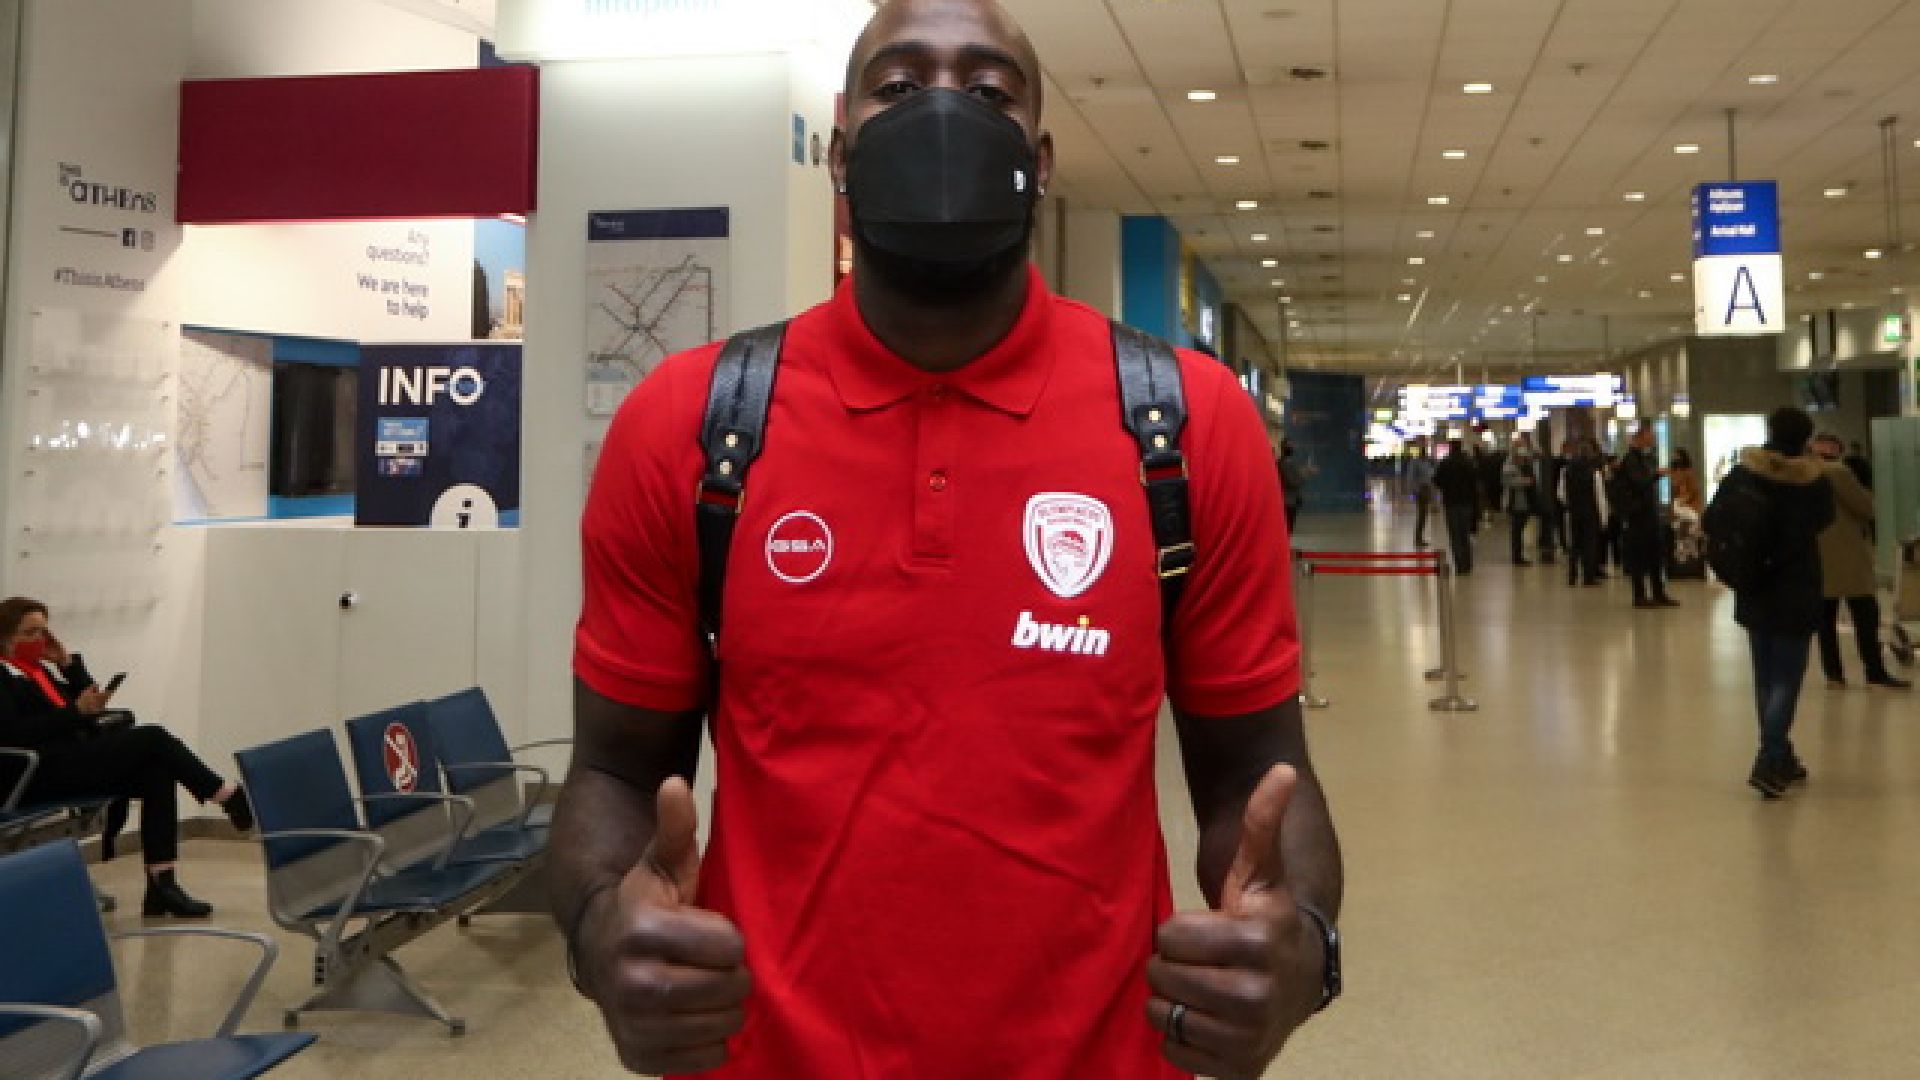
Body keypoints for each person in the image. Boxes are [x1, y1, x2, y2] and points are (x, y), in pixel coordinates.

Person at [554, 4, 1344, 1077]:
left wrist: (1304, 947)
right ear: (840, 155)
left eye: (987, 91)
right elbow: (611, 767)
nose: (940, 112)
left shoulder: (1186, 425)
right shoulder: (691, 426)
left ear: (1040, 162)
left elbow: (1258, 771)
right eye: (896, 86)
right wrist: (599, 933)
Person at [0, 597, 253, 917]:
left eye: (43, 632)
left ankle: (162, 885)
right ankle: (226, 795)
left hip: (65, 761)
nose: (39, 640)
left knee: (156, 771)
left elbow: (87, 702)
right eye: (30, 633)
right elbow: (13, 734)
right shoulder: (5, 676)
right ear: (5, 636)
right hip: (33, 773)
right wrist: (75, 712)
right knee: (153, 737)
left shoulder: (38, 672)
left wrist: (67, 664)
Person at [1715, 408, 1834, 798]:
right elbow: (1825, 520)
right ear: (1806, 438)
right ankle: (1769, 758)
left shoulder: (1745, 472)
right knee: (1786, 679)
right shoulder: (1812, 481)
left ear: (1769, 430)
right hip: (1796, 587)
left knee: (1766, 677)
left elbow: (1715, 516)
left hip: (1755, 584)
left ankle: (1781, 754)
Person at [1811, 434, 1909, 689]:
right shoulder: (1839, 473)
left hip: (1817, 555)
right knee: (1866, 613)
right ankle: (1874, 673)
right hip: (1848, 554)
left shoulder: (1802, 473)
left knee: (1825, 619)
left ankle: (1833, 675)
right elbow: (1865, 506)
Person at [1615, 426, 1676, 608]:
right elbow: (1639, 482)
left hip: (1649, 513)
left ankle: (1658, 592)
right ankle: (1639, 595)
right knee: (1639, 555)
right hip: (1637, 515)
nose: (1652, 440)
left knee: (1655, 554)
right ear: (1640, 438)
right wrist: (1656, 475)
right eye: (1650, 437)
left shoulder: (1646, 458)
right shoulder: (1631, 460)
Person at [1558, 439, 1609, 588]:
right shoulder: (1594, 473)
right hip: (1590, 513)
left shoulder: (1566, 471)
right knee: (1589, 545)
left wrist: (1570, 504)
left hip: (1573, 512)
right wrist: (1603, 517)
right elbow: (1600, 497)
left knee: (1574, 544)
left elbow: (1561, 493)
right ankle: (1588, 577)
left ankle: (1572, 576)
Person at [1433, 438, 1481, 575]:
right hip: (1466, 502)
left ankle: (1460, 565)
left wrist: (1447, 487)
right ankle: (1467, 564)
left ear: (1450, 448)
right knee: (1465, 534)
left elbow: (1437, 481)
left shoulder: (1445, 463)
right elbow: (1475, 482)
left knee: (1455, 535)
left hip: (1451, 503)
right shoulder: (1468, 462)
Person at [1501, 434, 1541, 566]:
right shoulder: (1509, 464)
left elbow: (1538, 454)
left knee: (1519, 528)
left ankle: (1518, 554)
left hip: (1526, 500)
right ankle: (1516, 556)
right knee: (1516, 529)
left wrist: (1531, 444)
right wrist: (1525, 481)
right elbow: (1507, 481)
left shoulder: (1525, 460)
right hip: (1516, 502)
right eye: (1520, 446)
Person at [1407, 440, 1436, 548]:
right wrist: (1414, 490)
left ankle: (1420, 537)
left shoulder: (1428, 462)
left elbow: (1431, 475)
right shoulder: (1415, 462)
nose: (1424, 451)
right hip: (1420, 490)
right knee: (1422, 514)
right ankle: (1418, 538)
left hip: (1427, 489)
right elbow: (1411, 477)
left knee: (1424, 515)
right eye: (1423, 449)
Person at [1279, 438, 1307, 535]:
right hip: (1288, 500)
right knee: (1287, 526)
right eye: (1290, 445)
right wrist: (1303, 476)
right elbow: (1293, 481)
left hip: (1290, 500)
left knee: (1288, 526)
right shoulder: (1285, 463)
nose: (1292, 447)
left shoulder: (1287, 462)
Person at [1669, 447, 1704, 515]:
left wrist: (1682, 501)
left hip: (1690, 508)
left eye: (1677, 458)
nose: (1674, 459)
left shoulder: (1689, 473)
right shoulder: (1675, 474)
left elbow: (1692, 492)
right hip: (1680, 508)